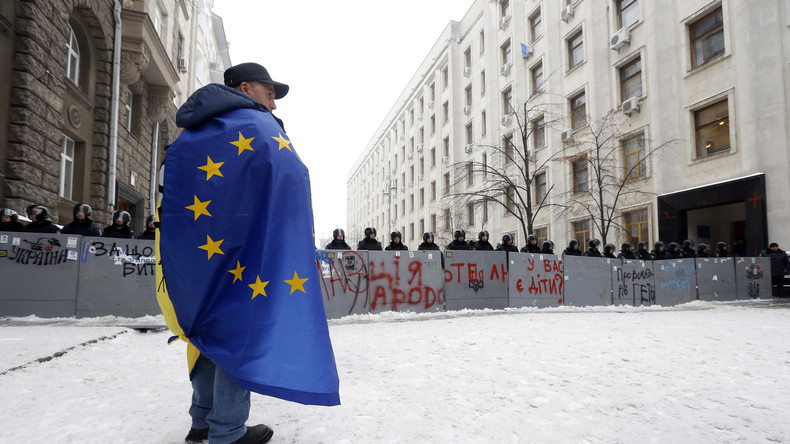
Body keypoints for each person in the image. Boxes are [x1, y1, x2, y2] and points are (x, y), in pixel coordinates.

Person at [164, 62, 325, 444]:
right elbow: (289, 178)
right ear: (247, 87)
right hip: (248, 249)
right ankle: (228, 432)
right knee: (239, 336)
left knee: (208, 332)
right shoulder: (255, 125)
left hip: (201, 252)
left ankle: (202, 421)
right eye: (270, 92)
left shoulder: (197, 129)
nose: (274, 102)